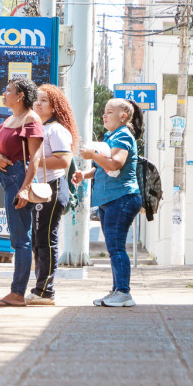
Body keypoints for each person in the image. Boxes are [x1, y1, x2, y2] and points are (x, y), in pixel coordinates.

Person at [75, 98, 142, 308]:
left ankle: (123, 292)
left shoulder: (123, 135)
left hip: (121, 198)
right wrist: (84, 175)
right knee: (114, 247)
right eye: (104, 111)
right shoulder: (111, 136)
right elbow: (104, 167)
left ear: (123, 116)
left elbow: (116, 163)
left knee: (116, 247)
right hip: (110, 200)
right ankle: (117, 290)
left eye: (109, 112)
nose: (104, 115)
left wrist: (92, 154)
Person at [0, 78, 45, 307]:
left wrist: (25, 189)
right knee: (17, 238)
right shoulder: (10, 119)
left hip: (20, 179)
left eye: (9, 91)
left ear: (20, 95)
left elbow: (36, 157)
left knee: (21, 240)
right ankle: (16, 291)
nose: (4, 93)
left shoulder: (31, 118)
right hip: (8, 179)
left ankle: (17, 293)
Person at [27, 84, 77, 305]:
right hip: (42, 189)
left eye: (44, 100)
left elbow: (64, 161)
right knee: (39, 240)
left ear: (55, 107)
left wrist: (33, 162)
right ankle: (41, 288)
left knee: (46, 240)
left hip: (53, 188)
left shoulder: (55, 129)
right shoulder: (40, 127)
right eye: (36, 99)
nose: (38, 103)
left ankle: (45, 291)